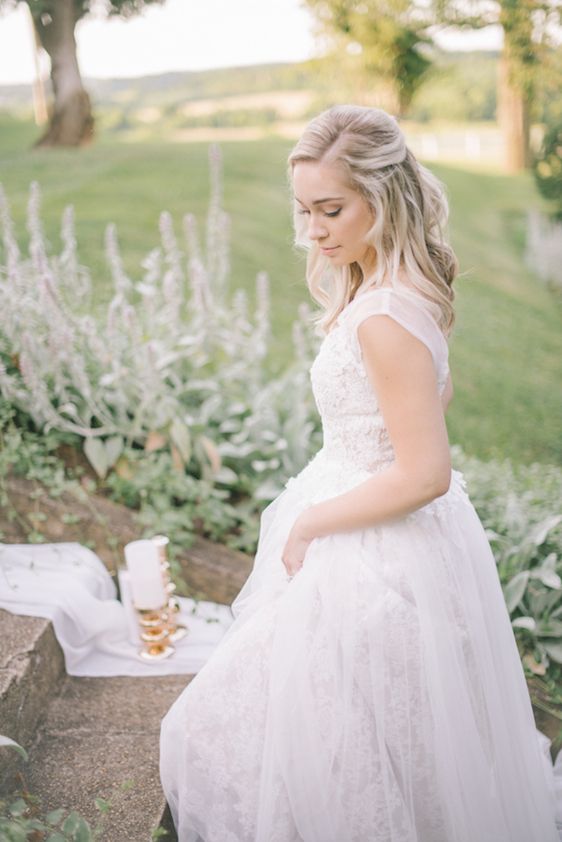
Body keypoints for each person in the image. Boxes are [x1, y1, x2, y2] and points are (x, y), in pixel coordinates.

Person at [159, 105, 560, 841]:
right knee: (368, 741)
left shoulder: (382, 313)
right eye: (304, 210)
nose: (313, 230)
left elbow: (426, 472)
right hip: (373, 518)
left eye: (331, 209)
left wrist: (312, 519)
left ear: (385, 197)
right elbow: (431, 399)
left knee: (252, 739)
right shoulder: (402, 286)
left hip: (375, 547)